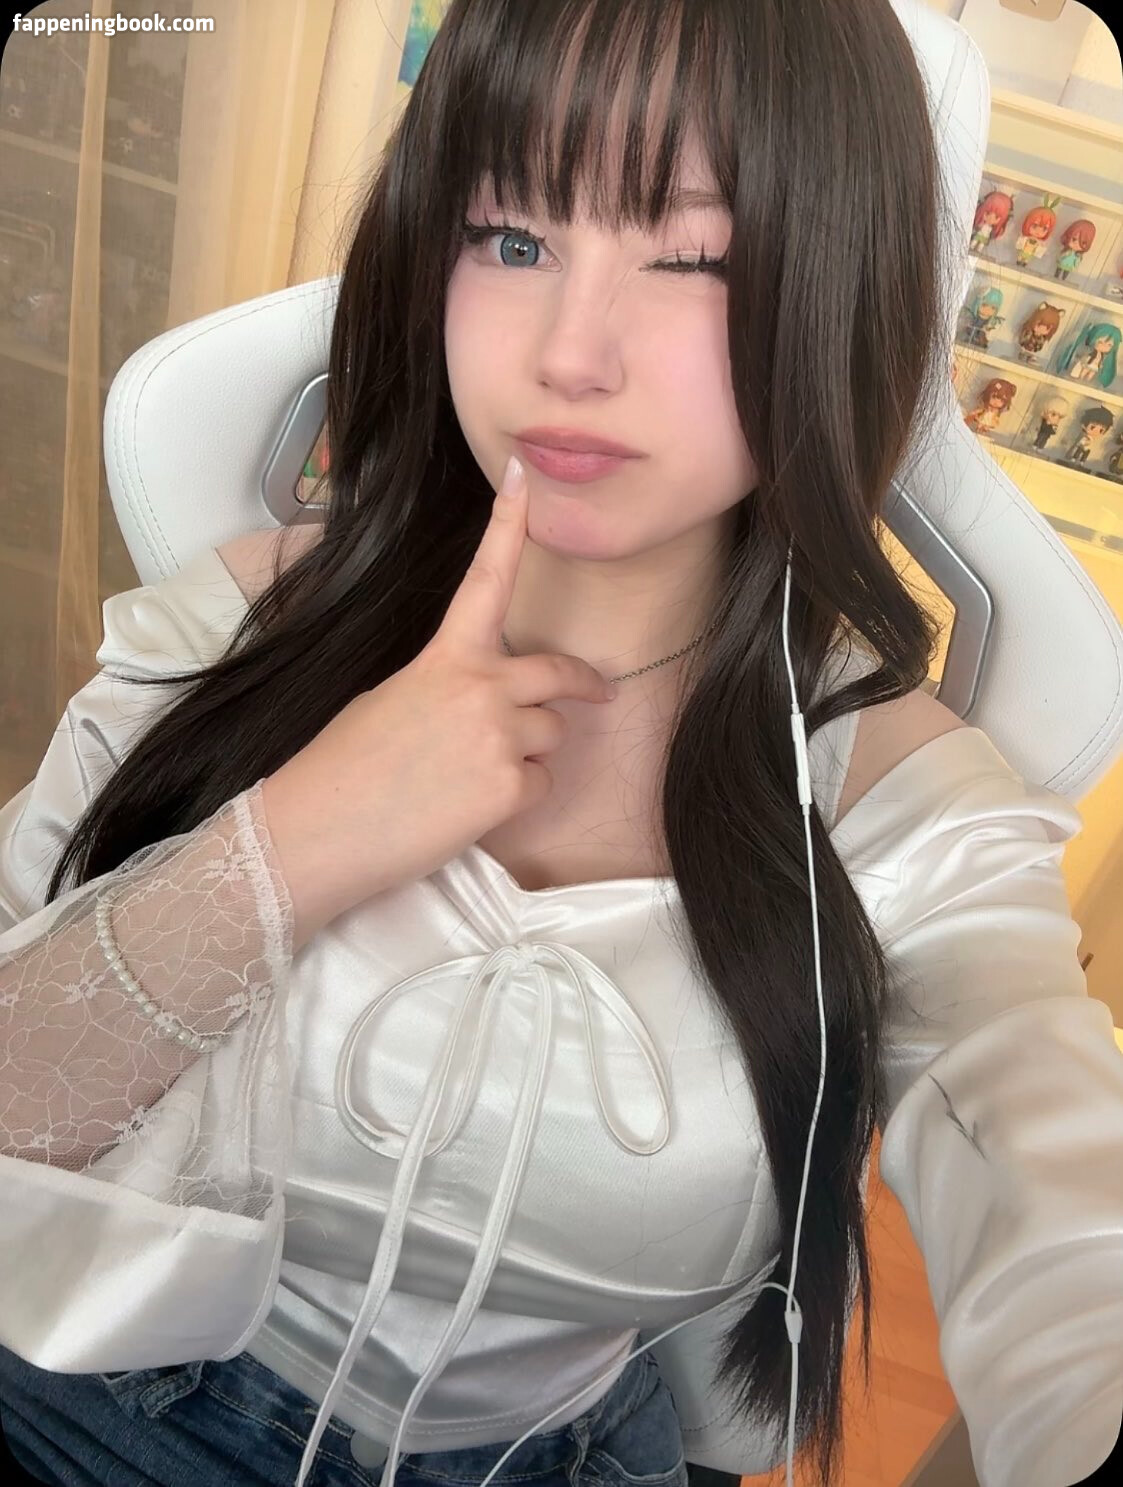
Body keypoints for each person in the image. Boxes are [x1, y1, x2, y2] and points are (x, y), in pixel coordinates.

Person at [2, 4, 1122, 1487]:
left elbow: (1060, 1213)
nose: (569, 354)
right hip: (90, 1405)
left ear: (834, 291)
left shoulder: (896, 801)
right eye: (513, 237)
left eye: (696, 259)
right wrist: (301, 836)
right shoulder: (237, 626)